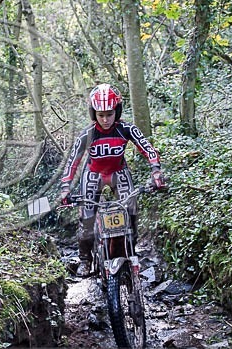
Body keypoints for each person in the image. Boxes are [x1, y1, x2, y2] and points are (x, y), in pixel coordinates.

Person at [60, 84, 166, 277]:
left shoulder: (126, 128)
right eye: (101, 115)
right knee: (87, 220)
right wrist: (66, 187)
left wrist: (156, 171)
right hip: (93, 174)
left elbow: (147, 148)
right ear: (94, 114)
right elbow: (72, 161)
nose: (106, 119)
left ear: (117, 111)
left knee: (131, 212)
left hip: (119, 172)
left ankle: (130, 252)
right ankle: (85, 260)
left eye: (109, 114)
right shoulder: (87, 134)